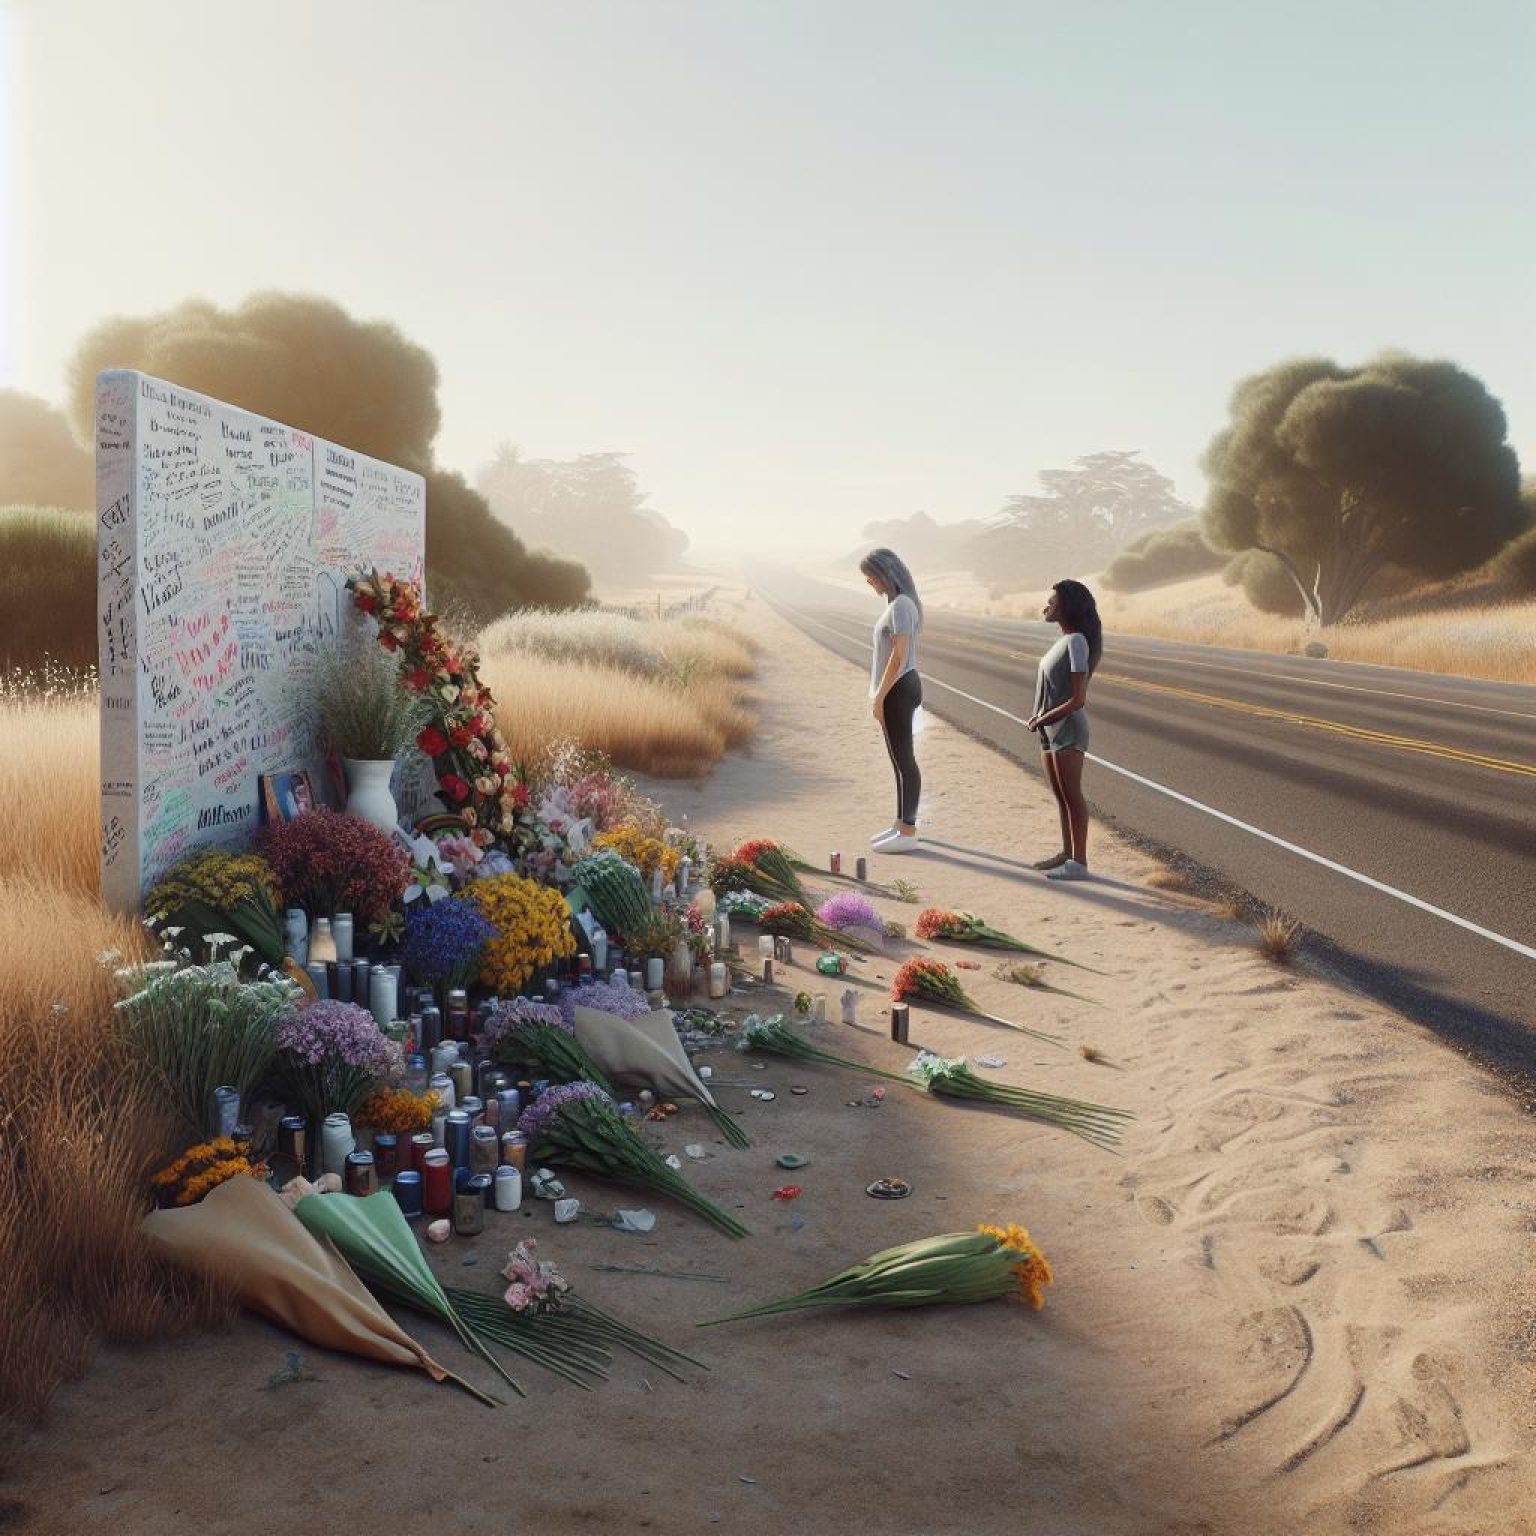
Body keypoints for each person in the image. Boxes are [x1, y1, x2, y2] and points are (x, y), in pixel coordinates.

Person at [1025, 579, 1102, 880]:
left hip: (1067, 727)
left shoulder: (1077, 642)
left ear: (1066, 607)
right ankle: (1067, 853)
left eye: (1052, 602)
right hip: (1049, 729)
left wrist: (1042, 719)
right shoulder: (1062, 642)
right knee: (1060, 795)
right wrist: (1042, 721)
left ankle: (1079, 863)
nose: (1046, 606)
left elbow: (1078, 699)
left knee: (1072, 795)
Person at [861, 547, 924, 853]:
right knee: (898, 760)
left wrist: (879, 697)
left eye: (870, 576)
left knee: (905, 760)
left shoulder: (901, 606)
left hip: (898, 688)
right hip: (897, 688)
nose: (868, 582)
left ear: (885, 574)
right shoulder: (899, 604)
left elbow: (898, 656)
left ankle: (909, 830)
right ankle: (900, 824)